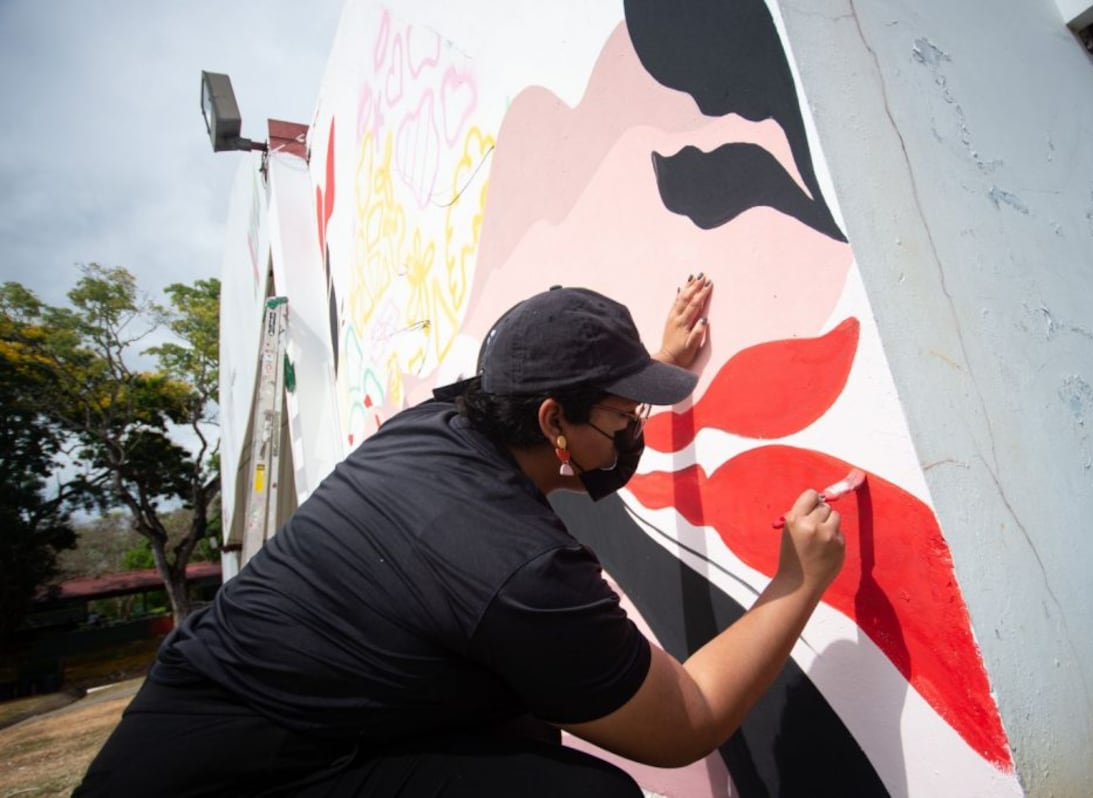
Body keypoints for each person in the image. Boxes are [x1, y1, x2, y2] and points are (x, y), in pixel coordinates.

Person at [75, 283, 845, 797]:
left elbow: (575, 437)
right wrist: (796, 583)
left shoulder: (439, 425)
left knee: (521, 730)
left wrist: (648, 373)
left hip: (196, 716)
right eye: (619, 415)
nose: (629, 433)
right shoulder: (521, 567)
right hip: (243, 776)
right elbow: (687, 720)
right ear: (552, 420)